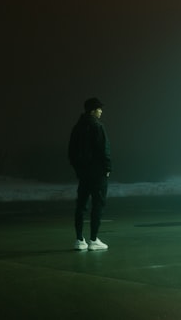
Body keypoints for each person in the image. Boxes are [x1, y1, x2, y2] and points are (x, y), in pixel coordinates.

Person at [68, 97, 111, 251]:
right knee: (98, 205)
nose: (101, 111)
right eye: (99, 108)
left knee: (81, 205)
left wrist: (79, 170)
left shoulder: (77, 127)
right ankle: (94, 240)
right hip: (98, 173)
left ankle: (79, 240)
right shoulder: (97, 126)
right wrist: (107, 169)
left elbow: (71, 152)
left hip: (84, 174)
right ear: (93, 110)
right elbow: (103, 150)